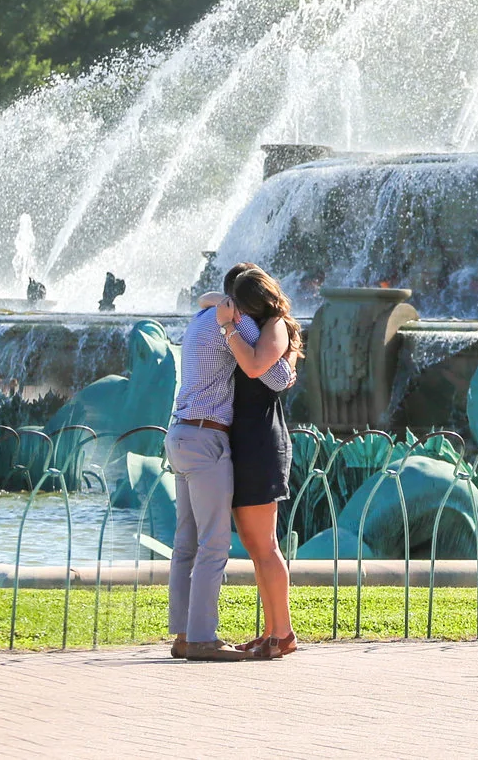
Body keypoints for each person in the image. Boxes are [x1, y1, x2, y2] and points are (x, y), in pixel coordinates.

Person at [164, 264, 292, 662]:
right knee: (214, 543)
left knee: (185, 543)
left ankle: (184, 635)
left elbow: (208, 300)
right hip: (207, 438)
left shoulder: (203, 316)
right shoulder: (235, 321)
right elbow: (277, 376)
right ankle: (203, 638)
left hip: (179, 433)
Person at [221, 264, 302, 660]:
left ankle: (283, 633)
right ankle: (271, 631)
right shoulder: (253, 326)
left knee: (265, 545)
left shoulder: (274, 326)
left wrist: (228, 327)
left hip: (260, 442)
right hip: (244, 440)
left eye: (237, 301)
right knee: (255, 546)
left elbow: (255, 367)